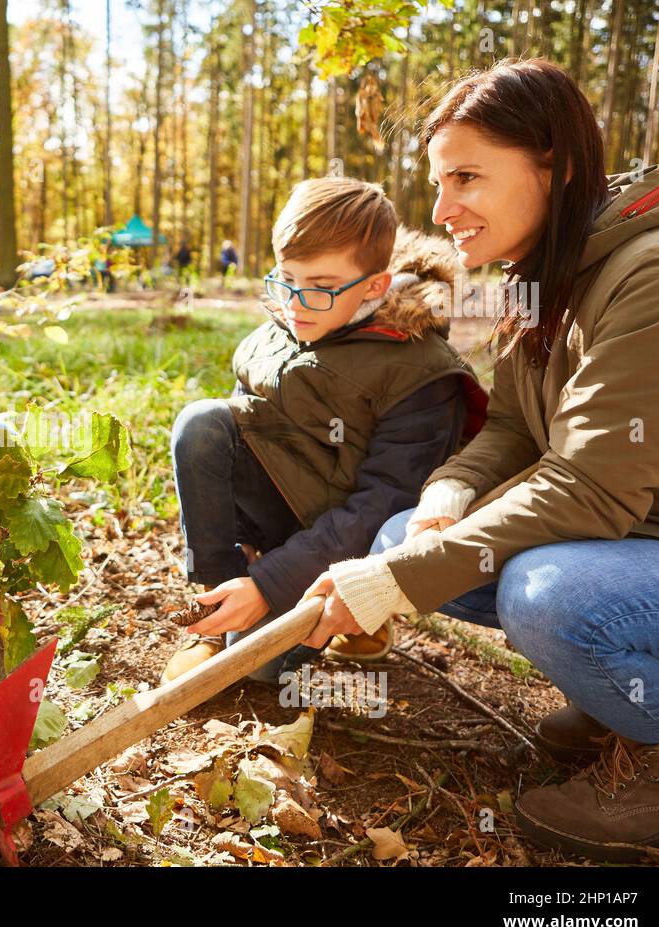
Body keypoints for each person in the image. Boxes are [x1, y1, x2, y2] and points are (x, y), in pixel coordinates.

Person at [300, 59, 659, 862]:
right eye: (439, 182)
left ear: (560, 165)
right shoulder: (540, 271)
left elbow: (590, 482)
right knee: (407, 531)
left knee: (550, 598)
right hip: (647, 536)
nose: (442, 210)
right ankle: (634, 699)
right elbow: (512, 426)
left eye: (467, 177)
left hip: (645, 535)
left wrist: (403, 579)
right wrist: (449, 492)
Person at [163, 177, 485, 684]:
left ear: (375, 286)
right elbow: (245, 436)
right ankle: (216, 612)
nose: (294, 303)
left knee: (262, 674)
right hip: (287, 519)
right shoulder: (281, 328)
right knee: (202, 424)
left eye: (319, 286)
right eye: (286, 278)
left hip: (348, 544)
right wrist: (242, 549)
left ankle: (357, 613)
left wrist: (270, 585)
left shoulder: (422, 374)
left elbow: (380, 507)